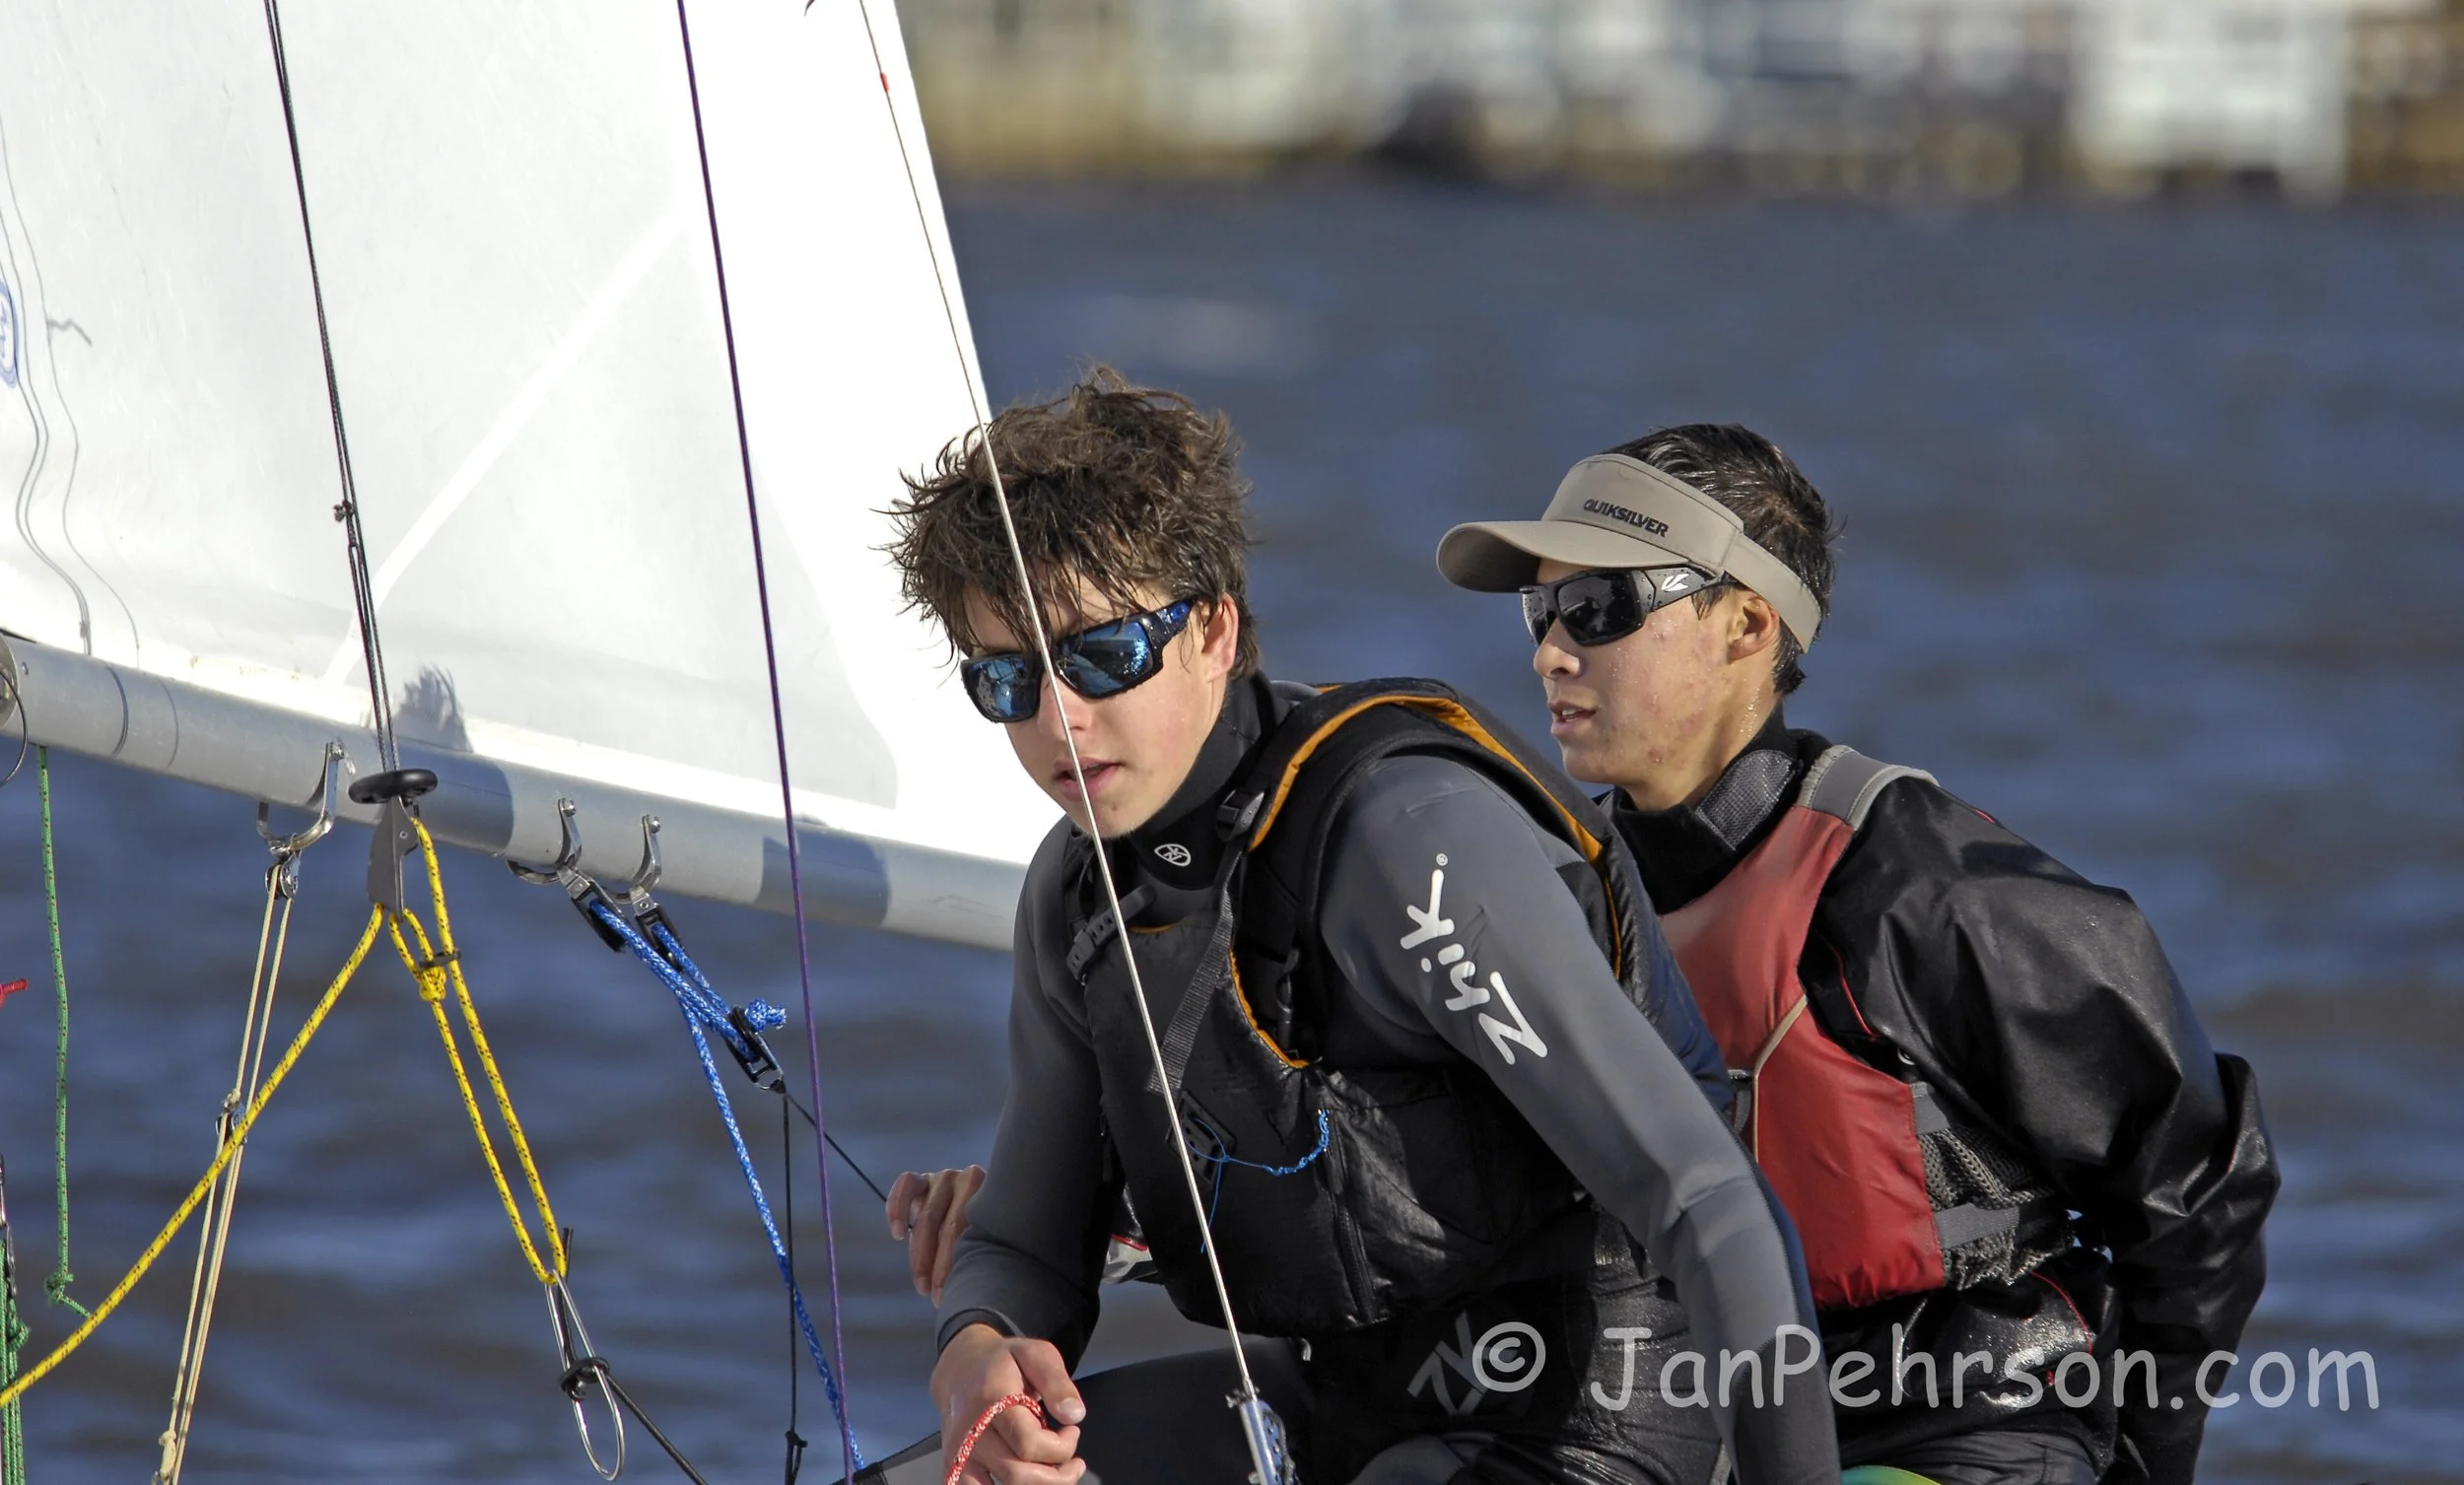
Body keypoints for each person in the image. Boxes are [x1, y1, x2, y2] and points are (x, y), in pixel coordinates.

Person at [876, 372, 1839, 1485]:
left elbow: (1710, 1203)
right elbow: (1024, 1243)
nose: (1059, 718)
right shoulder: (1079, 898)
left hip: (1597, 1415)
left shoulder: (1403, 842)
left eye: (1103, 656)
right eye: (1006, 678)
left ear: (1213, 631)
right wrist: (976, 1352)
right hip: (1344, 1406)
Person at [1431, 428, 2280, 1485]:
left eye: (1599, 607)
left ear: (1747, 625)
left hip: (1964, 1429)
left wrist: (2146, 1468)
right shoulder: (1561, 892)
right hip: (1695, 1432)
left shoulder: (1924, 890)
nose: (1551, 653)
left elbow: (2198, 1188)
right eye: (1541, 611)